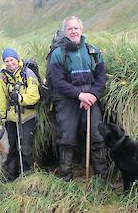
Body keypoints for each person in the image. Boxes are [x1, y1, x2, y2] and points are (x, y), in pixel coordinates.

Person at [49, 16, 108, 181]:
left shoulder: (93, 51)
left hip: (91, 98)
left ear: (81, 29)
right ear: (65, 32)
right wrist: (79, 94)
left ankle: (101, 177)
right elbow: (58, 81)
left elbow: (101, 78)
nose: (73, 31)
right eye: (70, 29)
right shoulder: (57, 54)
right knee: (67, 137)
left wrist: (92, 95)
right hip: (66, 100)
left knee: (96, 135)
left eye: (76, 28)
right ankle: (66, 179)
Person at [0, 48, 40, 181]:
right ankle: (11, 175)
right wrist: (3, 117)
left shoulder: (28, 73)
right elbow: (2, 98)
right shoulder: (3, 78)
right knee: (12, 147)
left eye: (12, 60)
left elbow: (34, 96)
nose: (10, 63)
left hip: (27, 117)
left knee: (25, 147)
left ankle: (26, 176)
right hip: (11, 118)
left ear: (17, 59)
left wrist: (20, 99)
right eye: (7, 61)